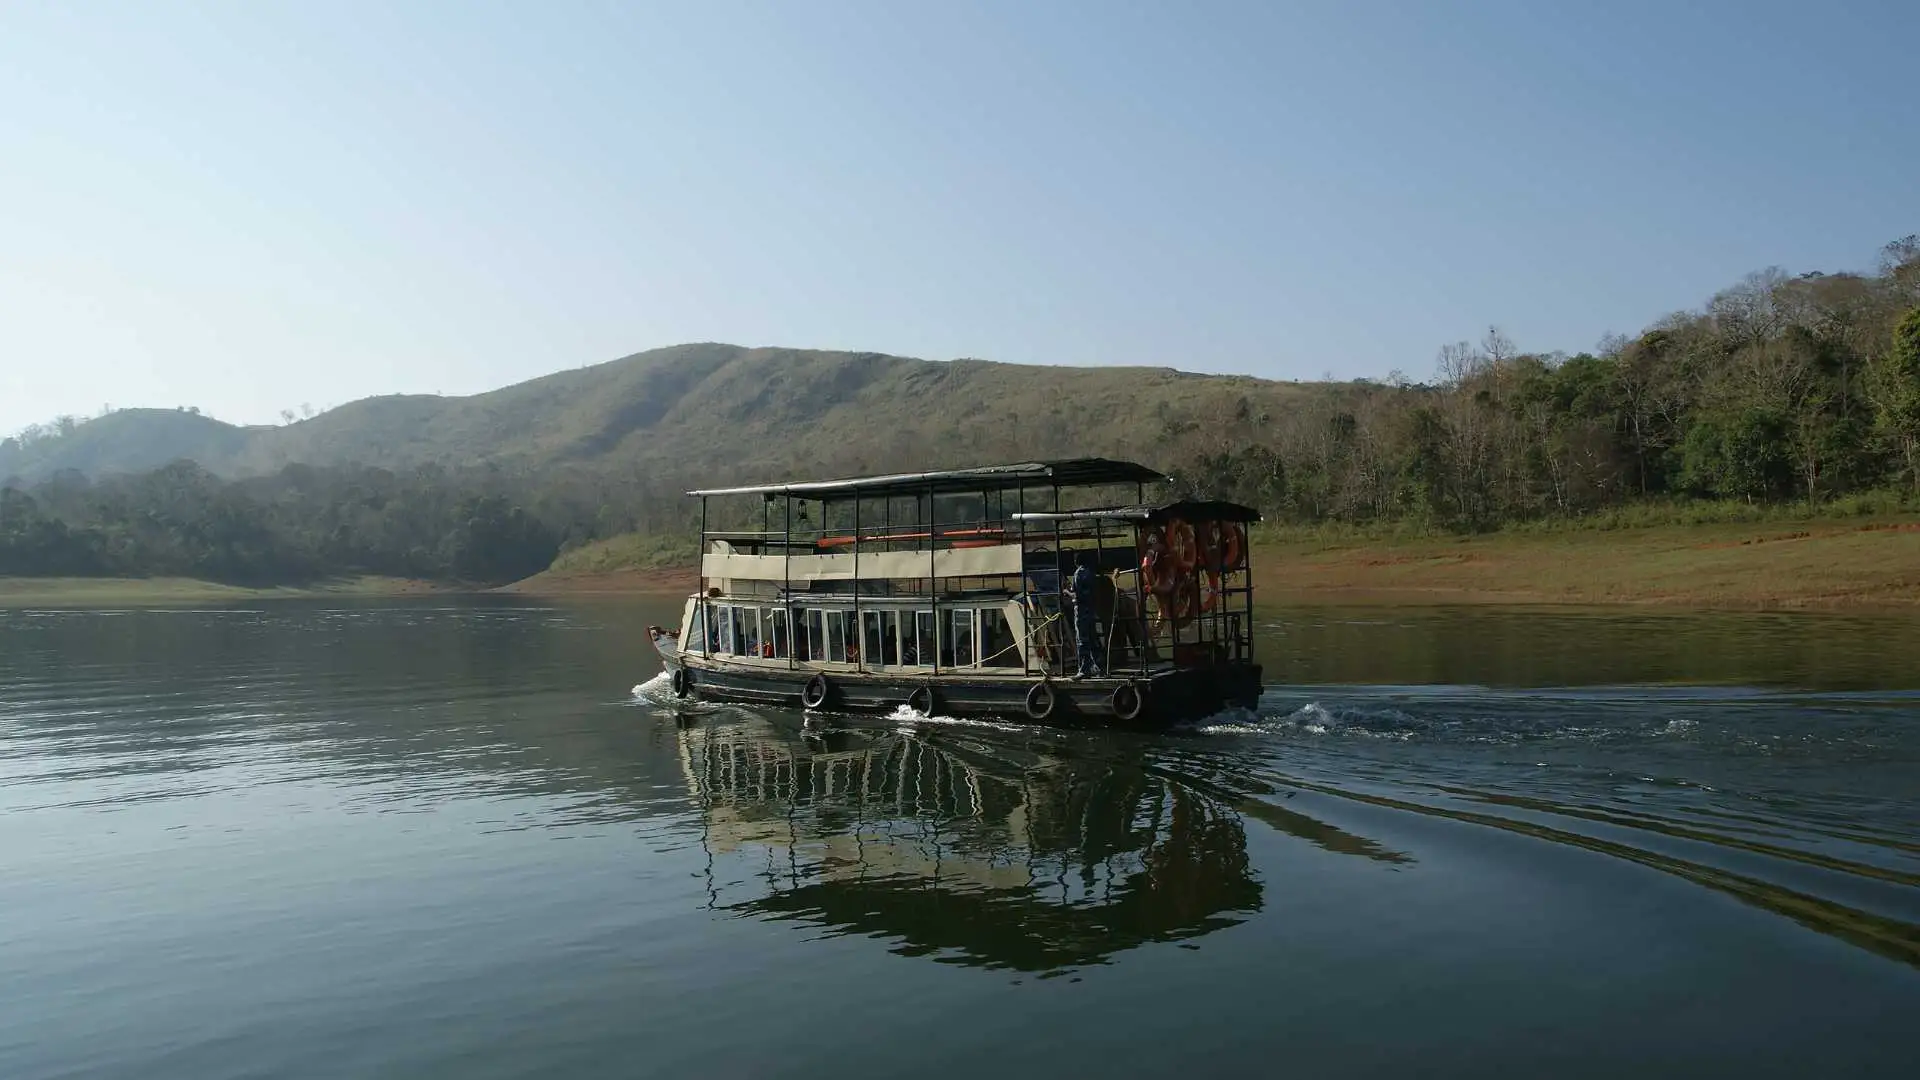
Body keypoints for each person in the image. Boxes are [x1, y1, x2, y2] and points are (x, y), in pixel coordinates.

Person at [1070, 550, 1103, 679]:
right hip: (1090, 611)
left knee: (1082, 641)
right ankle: (1100, 667)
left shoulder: (1078, 574)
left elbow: (1077, 594)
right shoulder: (1091, 573)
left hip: (1081, 611)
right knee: (1093, 639)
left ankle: (1084, 670)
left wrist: (1068, 592)